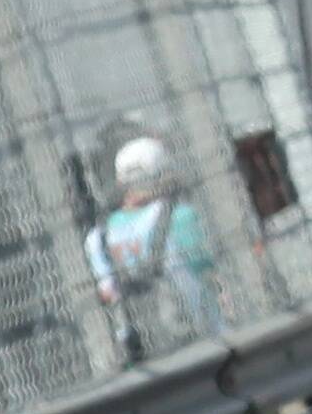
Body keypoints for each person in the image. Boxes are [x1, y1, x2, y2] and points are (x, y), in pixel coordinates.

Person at [86, 134, 225, 347]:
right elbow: (212, 268)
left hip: (142, 352)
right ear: (161, 175)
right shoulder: (180, 217)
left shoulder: (97, 239)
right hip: (202, 340)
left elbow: (107, 293)